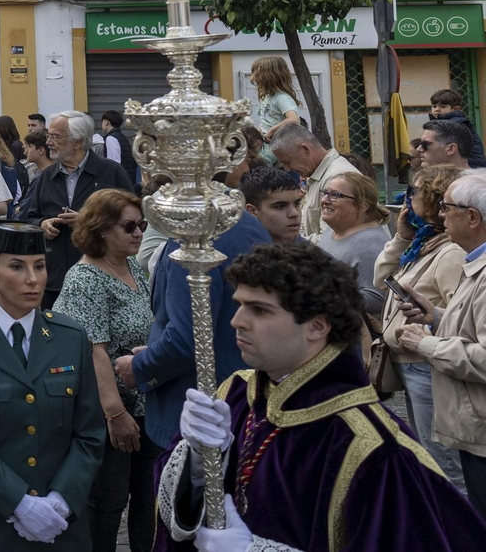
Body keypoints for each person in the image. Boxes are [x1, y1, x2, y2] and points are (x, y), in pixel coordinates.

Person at [161, 243, 486, 552]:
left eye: (259, 310)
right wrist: (195, 464)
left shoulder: (373, 448)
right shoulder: (234, 394)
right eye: (239, 305)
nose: (237, 321)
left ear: (317, 326)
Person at [0, 220, 105, 552]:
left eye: (39, 266)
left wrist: (61, 500)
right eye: (17, 266)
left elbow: (90, 433)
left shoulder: (70, 337)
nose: (32, 279)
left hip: (62, 524)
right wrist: (20, 503)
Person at [117, 204, 269, 452]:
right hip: (243, 404)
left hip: (196, 416)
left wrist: (139, 368)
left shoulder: (192, 234)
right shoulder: (244, 221)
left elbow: (187, 339)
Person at [53, 189, 156, 552]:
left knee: (150, 499)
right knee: (107, 503)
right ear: (100, 229)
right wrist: (116, 414)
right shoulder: (84, 280)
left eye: (141, 224)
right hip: (106, 413)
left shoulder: (134, 268)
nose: (138, 233)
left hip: (145, 407)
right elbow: (93, 351)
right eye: (129, 225)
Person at [397, 167, 486, 511]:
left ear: (473, 217)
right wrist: (436, 317)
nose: (441, 214)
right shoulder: (474, 260)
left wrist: (426, 344)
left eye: (448, 207)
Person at [373, 164, 465, 486]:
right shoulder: (421, 245)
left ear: (432, 198)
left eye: (413, 191)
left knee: (441, 461)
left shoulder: (449, 251)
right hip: (411, 364)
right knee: (427, 454)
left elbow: (460, 314)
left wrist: (427, 327)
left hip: (427, 365)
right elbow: (381, 279)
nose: (406, 197)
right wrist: (400, 237)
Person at [26, 111, 133, 307]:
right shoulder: (45, 177)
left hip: (103, 281)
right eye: (49, 136)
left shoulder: (111, 173)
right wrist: (42, 224)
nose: (48, 142)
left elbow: (131, 224)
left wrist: (88, 222)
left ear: (78, 142)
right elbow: (30, 219)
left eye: (55, 137)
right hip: (54, 283)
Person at [316, 171, 391, 314]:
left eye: (335, 195)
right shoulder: (332, 230)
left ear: (363, 207)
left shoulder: (371, 244)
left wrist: (320, 295)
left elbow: (377, 300)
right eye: (325, 193)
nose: (325, 200)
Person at [269, 122, 357, 239]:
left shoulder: (337, 179)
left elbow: (333, 240)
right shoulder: (316, 175)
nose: (287, 169)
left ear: (305, 149)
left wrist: (287, 241)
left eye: (288, 161)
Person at [249, 56, 301, 164]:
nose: (254, 78)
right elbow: (264, 120)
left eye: (257, 75)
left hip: (277, 143)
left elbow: (293, 120)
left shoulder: (282, 98)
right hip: (265, 142)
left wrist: (271, 131)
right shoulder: (266, 97)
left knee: (262, 163)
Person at [239, 166, 305, 245]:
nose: (294, 213)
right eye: (280, 206)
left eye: (296, 204)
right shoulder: (238, 251)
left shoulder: (312, 254)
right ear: (252, 211)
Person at [429, 89, 486, 167]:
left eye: (443, 106)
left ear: (455, 109)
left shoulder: (456, 123)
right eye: (434, 106)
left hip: (470, 163)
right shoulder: (441, 123)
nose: (437, 109)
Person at [99, 110, 139, 188]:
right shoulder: (120, 136)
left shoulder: (111, 138)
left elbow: (114, 163)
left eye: (102, 122)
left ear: (106, 122)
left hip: (121, 184)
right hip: (128, 180)